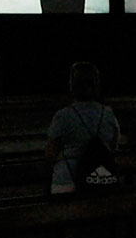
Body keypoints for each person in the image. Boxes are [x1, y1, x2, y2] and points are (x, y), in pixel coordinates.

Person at [46, 62, 120, 194]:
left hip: (67, 179)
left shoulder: (63, 116)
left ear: (72, 85)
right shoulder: (108, 114)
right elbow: (113, 147)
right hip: (99, 178)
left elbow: (51, 153)